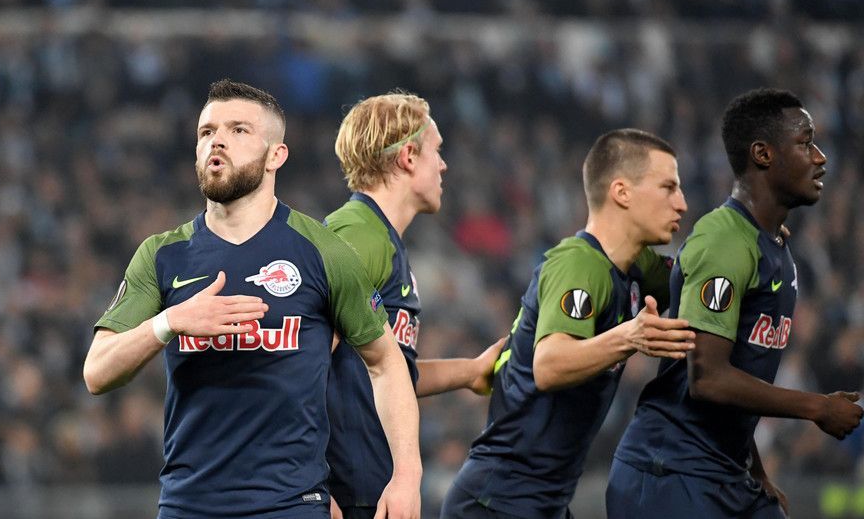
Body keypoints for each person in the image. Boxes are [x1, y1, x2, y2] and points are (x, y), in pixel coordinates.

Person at [82, 79, 422, 519]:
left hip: (291, 505)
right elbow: (97, 372)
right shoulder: (163, 254)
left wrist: (406, 476)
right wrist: (169, 322)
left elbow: (386, 361)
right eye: (207, 132)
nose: (217, 140)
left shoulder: (324, 251)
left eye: (238, 130)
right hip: (188, 505)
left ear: (276, 155)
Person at [606, 89, 863, 518]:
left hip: (723, 472)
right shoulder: (724, 240)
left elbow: (741, 377)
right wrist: (817, 407)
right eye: (805, 143)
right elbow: (708, 379)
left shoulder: (775, 248)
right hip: (668, 472)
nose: (820, 157)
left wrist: (754, 468)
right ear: (763, 154)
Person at [441, 128, 697, 519]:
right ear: (622, 192)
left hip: (542, 502)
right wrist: (629, 336)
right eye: (668, 187)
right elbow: (549, 366)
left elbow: (699, 274)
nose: (681, 203)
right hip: (497, 502)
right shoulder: (578, 263)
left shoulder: (635, 267)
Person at [324, 92, 506, 519]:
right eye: (436, 151)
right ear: (408, 157)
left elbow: (384, 371)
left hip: (368, 486)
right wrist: (309, 481)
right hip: (343, 490)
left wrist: (470, 371)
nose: (443, 165)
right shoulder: (358, 234)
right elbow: (299, 364)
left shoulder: (382, 237)